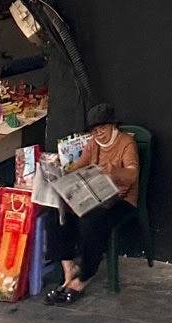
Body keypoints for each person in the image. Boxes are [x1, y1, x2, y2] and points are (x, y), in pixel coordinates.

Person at [46, 104, 139, 304]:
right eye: (95, 131)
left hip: (121, 199)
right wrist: (61, 170)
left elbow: (132, 174)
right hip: (94, 197)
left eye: (102, 128)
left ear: (113, 126)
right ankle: (68, 266)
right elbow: (79, 167)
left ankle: (85, 274)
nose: (99, 134)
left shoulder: (126, 142)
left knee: (92, 220)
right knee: (57, 210)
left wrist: (114, 170)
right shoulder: (93, 143)